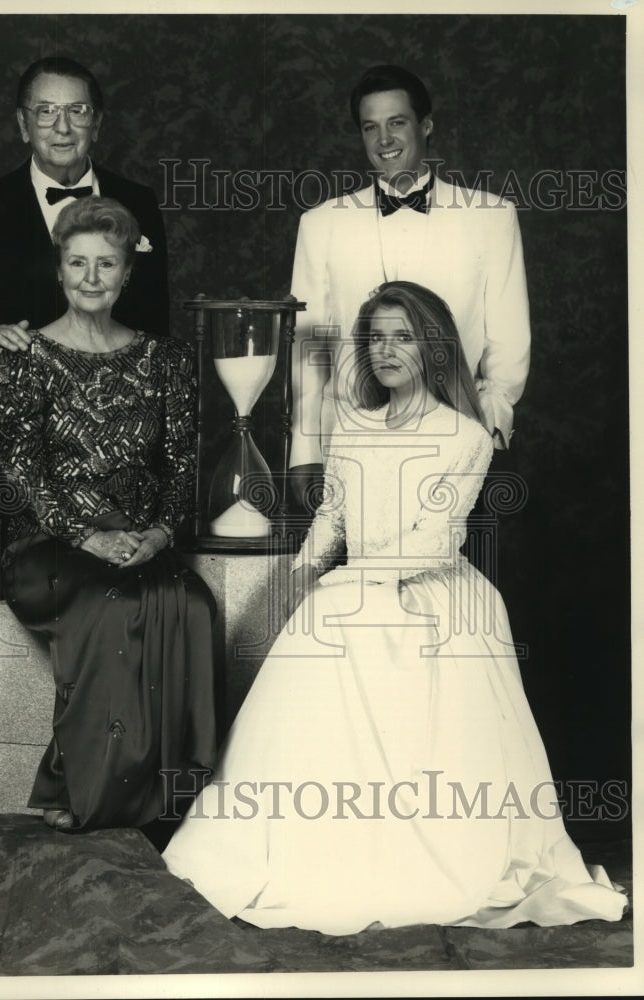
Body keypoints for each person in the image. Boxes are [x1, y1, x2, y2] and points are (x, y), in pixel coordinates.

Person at [162, 281, 625, 933]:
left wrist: (359, 581)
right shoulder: (353, 425)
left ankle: (420, 849)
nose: (385, 350)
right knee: (311, 659)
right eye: (375, 337)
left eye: (401, 336)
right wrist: (300, 576)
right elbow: (333, 515)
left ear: (431, 347)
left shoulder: (462, 435)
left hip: (428, 595)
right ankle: (304, 847)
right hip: (353, 586)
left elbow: (435, 537)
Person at [0, 197, 214, 832]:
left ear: (125, 274)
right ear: (59, 269)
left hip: (142, 539)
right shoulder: (21, 357)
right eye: (77, 262)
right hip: (47, 546)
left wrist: (161, 532)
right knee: (112, 606)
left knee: (192, 604)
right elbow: (23, 471)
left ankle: (174, 793)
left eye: (105, 264)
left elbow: (182, 465)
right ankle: (84, 788)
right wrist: (88, 537)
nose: (90, 277)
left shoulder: (166, 361)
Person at [289, 64, 530, 510]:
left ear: (426, 126)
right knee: (348, 576)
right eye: (370, 127)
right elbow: (310, 351)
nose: (384, 140)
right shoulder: (319, 224)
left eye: (397, 122)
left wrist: (484, 430)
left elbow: (508, 342)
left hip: (454, 444)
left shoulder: (492, 217)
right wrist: (304, 454)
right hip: (347, 447)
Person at [0, 55, 169, 472]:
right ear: (23, 125)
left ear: (96, 124)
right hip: (15, 456)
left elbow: (157, 328)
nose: (62, 127)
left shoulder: (139, 202)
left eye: (77, 111)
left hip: (121, 450)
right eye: (46, 112)